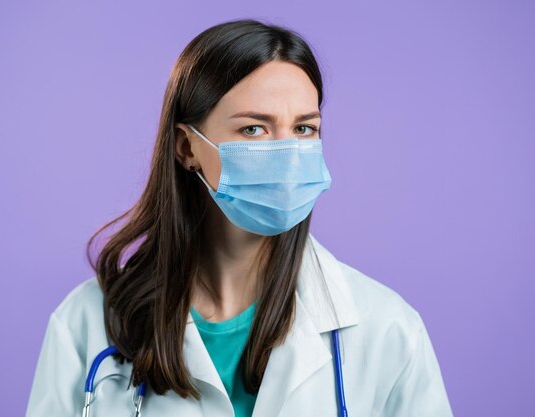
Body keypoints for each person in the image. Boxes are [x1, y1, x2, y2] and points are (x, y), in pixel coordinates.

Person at [25, 18, 454, 417]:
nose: (286, 154)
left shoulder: (389, 329)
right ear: (186, 147)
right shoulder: (86, 322)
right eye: (254, 129)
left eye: (304, 129)